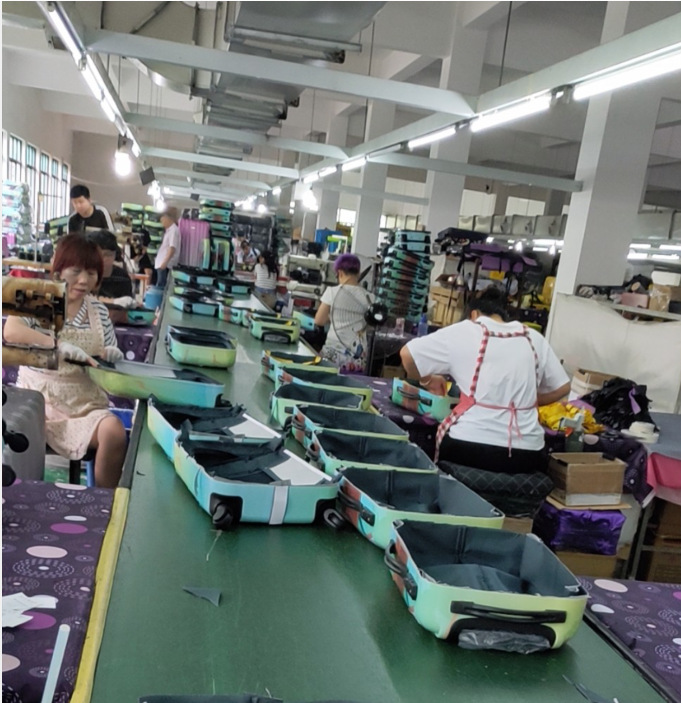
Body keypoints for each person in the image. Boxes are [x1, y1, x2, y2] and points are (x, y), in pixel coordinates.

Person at [400, 287, 570, 474]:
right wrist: (527, 403)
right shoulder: (534, 338)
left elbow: (407, 355)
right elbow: (563, 387)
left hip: (471, 446)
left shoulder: (466, 330)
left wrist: (428, 380)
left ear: (474, 314)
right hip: (528, 453)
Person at [3, 234, 127, 488]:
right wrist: (56, 344)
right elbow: (11, 332)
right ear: (59, 270)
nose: (84, 280)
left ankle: (104, 502)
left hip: (85, 405)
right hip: (39, 403)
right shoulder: (38, 297)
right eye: (76, 271)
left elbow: (108, 355)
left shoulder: (99, 311)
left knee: (114, 431)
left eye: (91, 273)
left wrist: (112, 356)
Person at [314, 253, 375, 373]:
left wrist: (333, 317)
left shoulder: (332, 292)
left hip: (333, 353)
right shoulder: (370, 297)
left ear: (340, 273)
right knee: (351, 383)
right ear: (358, 273)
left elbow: (319, 320)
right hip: (358, 357)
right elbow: (370, 325)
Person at [87, 229, 134, 302]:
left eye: (107, 255)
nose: (102, 259)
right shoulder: (83, 275)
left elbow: (127, 302)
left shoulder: (122, 277)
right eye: (97, 254)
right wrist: (113, 301)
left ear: (115, 255)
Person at [155, 207, 181, 287]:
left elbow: (172, 248)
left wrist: (164, 263)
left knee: (161, 287)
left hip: (165, 265)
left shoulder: (173, 231)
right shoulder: (169, 231)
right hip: (162, 264)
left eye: (162, 221)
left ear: (167, 218)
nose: (162, 223)